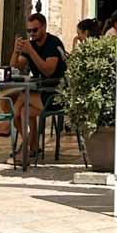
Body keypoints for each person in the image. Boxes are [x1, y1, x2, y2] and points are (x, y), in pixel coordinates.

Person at [8, 13, 68, 153]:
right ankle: (32, 146)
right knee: (23, 110)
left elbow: (48, 71)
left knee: (21, 98)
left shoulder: (53, 43)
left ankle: (10, 128)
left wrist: (31, 52)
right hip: (41, 92)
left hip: (57, 94)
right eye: (29, 31)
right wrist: (16, 51)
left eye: (35, 30)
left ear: (44, 27)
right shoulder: (31, 44)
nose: (31, 34)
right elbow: (14, 68)